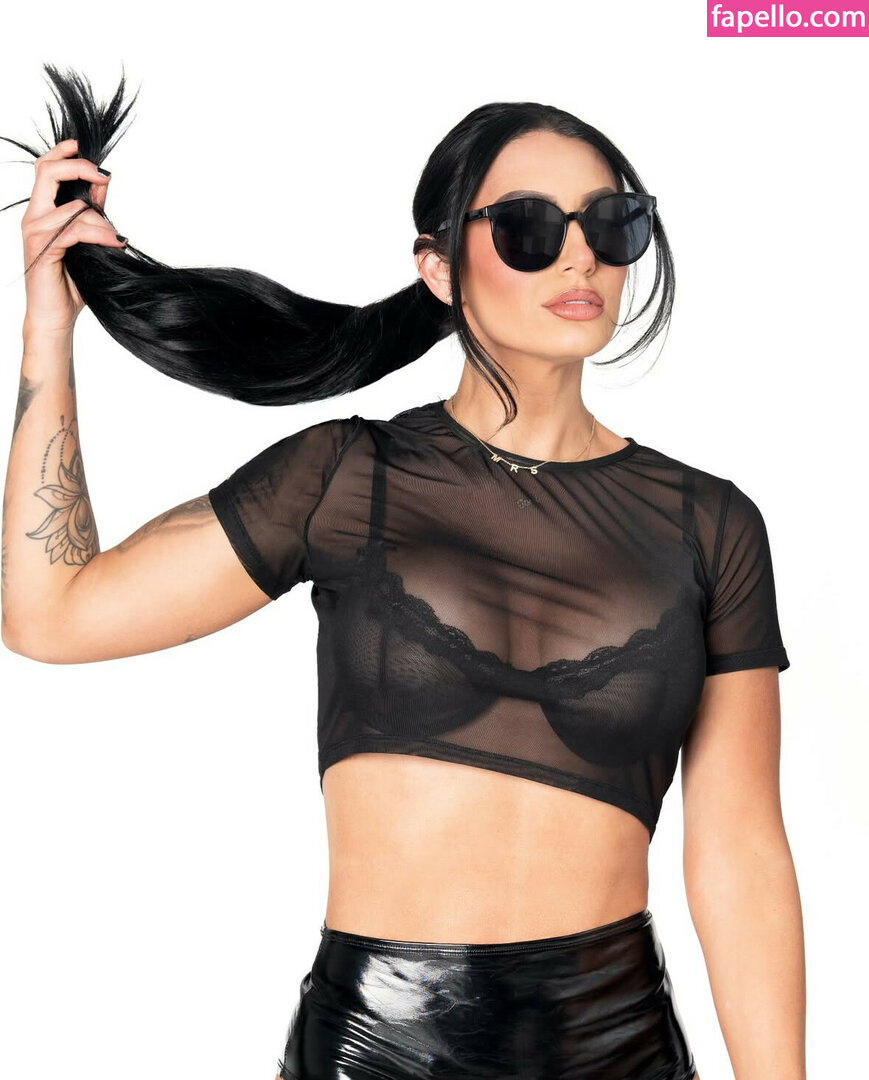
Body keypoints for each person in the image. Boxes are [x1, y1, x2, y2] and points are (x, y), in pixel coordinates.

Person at [1, 66, 807, 1080]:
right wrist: (48, 326)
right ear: (436, 267)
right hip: (374, 1048)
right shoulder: (345, 476)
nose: (579, 256)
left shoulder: (707, 524)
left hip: (618, 1044)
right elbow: (52, 615)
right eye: (528, 226)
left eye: (611, 224)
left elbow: (738, 852)